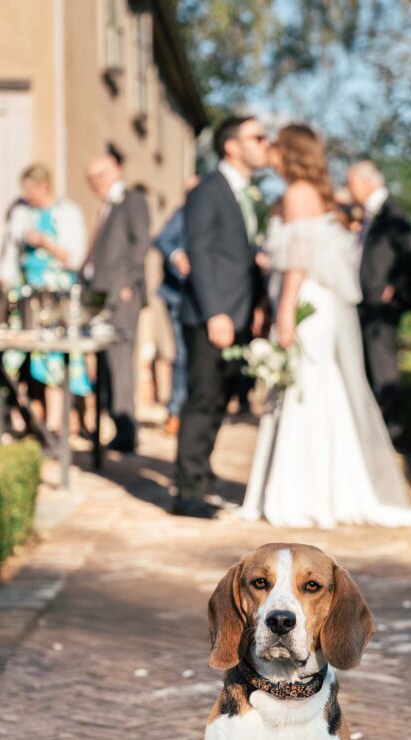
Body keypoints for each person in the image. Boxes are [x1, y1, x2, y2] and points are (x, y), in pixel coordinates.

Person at [240, 124, 411, 529]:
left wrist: (285, 310)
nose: (269, 153)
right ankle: (324, 487)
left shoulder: (297, 194)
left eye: (275, 146)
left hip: (307, 299)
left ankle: (301, 493)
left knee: (305, 390)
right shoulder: (312, 194)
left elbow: (298, 259)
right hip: (318, 301)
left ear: (289, 152)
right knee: (317, 387)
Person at [173, 114, 270, 519]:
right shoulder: (208, 191)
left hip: (240, 315)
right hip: (211, 315)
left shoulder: (246, 193)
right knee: (202, 400)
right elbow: (199, 253)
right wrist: (216, 312)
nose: (265, 143)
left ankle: (202, 478)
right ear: (232, 145)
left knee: (219, 401)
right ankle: (187, 493)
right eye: (258, 137)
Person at [0, 163, 89, 430]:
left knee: (52, 359)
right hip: (24, 294)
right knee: (15, 357)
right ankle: (20, 421)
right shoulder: (21, 213)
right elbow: (9, 256)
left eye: (30, 190)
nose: (27, 196)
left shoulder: (68, 212)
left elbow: (76, 258)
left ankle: (54, 426)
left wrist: (45, 242)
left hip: (55, 297)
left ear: (44, 186)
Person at [347, 160, 411, 434]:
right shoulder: (369, 214)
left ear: (367, 183)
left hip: (382, 304)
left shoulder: (390, 213)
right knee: (370, 363)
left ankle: (393, 427)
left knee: (383, 364)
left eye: (351, 183)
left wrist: (396, 287)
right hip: (367, 301)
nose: (349, 189)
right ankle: (376, 424)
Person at [83, 153, 150, 453]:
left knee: (121, 362)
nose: (96, 183)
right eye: (92, 178)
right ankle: (111, 423)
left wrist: (128, 283)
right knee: (107, 364)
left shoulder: (131, 200)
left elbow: (141, 242)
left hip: (121, 296)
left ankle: (126, 428)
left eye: (102, 175)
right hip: (100, 296)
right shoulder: (107, 207)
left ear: (117, 171)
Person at [152, 176, 199, 436]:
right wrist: (178, 256)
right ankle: (176, 410)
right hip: (178, 295)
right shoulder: (183, 214)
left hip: (197, 296)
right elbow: (162, 240)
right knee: (182, 352)